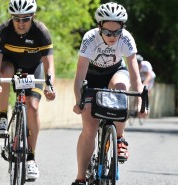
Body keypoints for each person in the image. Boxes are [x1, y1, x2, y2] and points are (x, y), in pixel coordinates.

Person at [72, 2, 148, 185]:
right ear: (99, 27)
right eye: (107, 33)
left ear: (122, 28)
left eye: (116, 32)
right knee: (89, 128)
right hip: (91, 76)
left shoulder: (127, 38)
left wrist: (139, 104)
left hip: (115, 72)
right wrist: (79, 101)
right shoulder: (90, 38)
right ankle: (80, 177)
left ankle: (120, 139)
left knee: (121, 88)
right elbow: (79, 76)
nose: (112, 37)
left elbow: (135, 76)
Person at [0, 0, 56, 180]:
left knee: (32, 107)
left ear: (32, 16)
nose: (20, 23)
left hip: (33, 69)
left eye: (25, 19)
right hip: (10, 67)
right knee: (5, 71)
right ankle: (3, 117)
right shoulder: (2, 31)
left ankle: (31, 158)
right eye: (16, 19)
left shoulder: (41, 32)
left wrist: (50, 86)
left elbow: (49, 66)